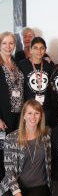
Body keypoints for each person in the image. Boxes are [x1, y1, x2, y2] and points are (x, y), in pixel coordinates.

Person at [0, 99, 51, 196]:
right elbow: (9, 171)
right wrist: (17, 193)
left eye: (37, 113)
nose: (33, 117)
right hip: (14, 185)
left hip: (39, 186)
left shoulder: (47, 134)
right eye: (29, 113)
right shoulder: (10, 138)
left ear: (41, 116)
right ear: (24, 115)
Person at [0, 32, 24, 181]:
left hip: (19, 113)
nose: (8, 46)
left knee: (15, 150)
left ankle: (13, 182)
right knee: (3, 152)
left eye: (11, 43)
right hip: (4, 115)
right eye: (4, 43)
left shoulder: (15, 62)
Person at [18, 37, 54, 126]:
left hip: (46, 108)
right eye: (35, 48)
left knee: (45, 134)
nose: (39, 51)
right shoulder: (22, 65)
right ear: (30, 49)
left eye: (42, 48)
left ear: (45, 49)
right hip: (29, 109)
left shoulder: (49, 65)